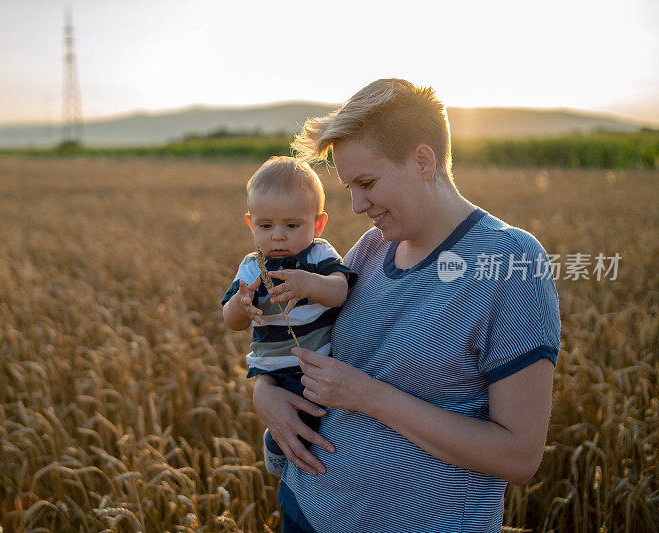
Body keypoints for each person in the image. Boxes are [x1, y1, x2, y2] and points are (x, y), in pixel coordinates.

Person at [252, 79, 561, 532]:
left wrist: (368, 397)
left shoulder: (510, 263)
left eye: (367, 183)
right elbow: (301, 341)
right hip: (306, 506)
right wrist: (265, 392)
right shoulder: (372, 248)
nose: (356, 205)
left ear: (423, 160)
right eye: (349, 187)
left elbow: (519, 456)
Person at [221, 156, 356, 476]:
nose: (278, 236)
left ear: (318, 224)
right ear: (251, 224)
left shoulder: (319, 254)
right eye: (266, 226)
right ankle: (278, 450)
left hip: (317, 361)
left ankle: (292, 455)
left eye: (292, 226)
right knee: (301, 419)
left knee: (319, 418)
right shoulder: (252, 266)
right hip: (272, 368)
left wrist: (311, 283)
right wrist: (241, 306)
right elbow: (231, 321)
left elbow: (340, 291)